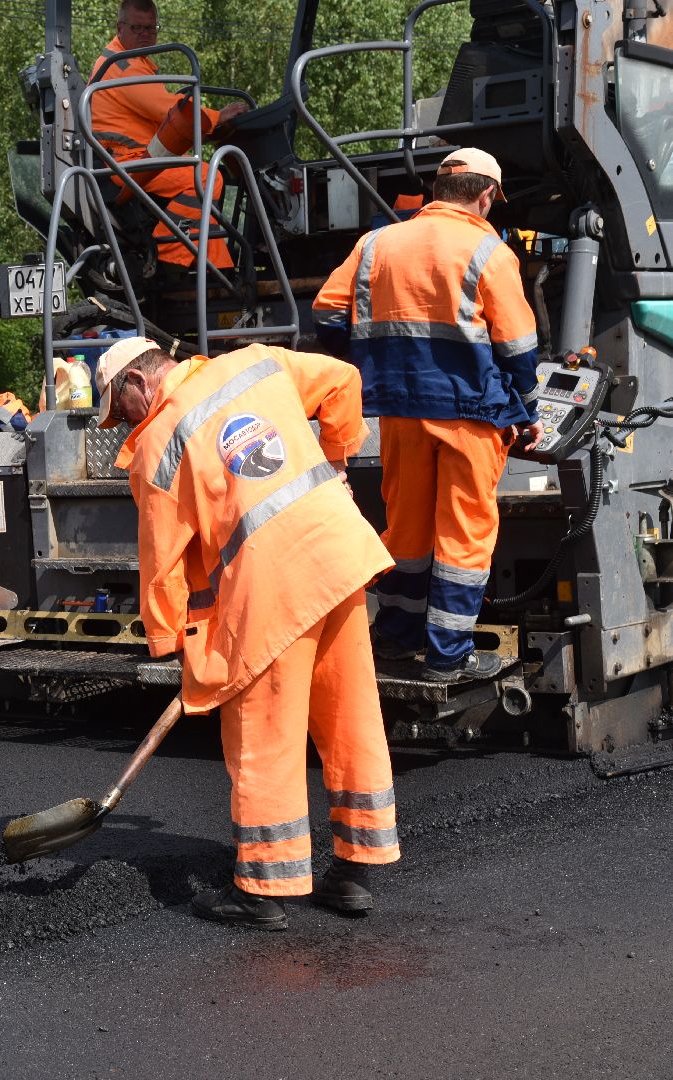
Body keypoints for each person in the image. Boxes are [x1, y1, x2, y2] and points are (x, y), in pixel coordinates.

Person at [97, 335, 400, 930]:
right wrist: (336, 461)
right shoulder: (257, 361)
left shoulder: (160, 443)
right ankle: (353, 872)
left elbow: (160, 562)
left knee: (263, 733)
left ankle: (264, 889)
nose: (121, 424)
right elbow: (342, 380)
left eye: (118, 411)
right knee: (350, 718)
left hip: (271, 589)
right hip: (338, 555)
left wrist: (167, 643)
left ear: (137, 384)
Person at [312, 148, 542, 682]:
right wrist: (528, 408)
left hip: (397, 411)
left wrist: (360, 365)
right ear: (487, 196)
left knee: (407, 528)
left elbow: (326, 309)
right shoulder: (489, 250)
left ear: (439, 191)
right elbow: (518, 346)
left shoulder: (375, 244)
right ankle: (446, 657)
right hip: (472, 413)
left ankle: (394, 639)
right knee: (464, 536)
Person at [89, 0, 247, 269]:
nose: (145, 34)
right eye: (137, 28)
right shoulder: (120, 67)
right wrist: (218, 117)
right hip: (124, 164)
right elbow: (164, 109)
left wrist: (208, 129)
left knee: (205, 181)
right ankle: (171, 256)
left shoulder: (132, 62)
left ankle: (220, 268)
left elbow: (163, 113)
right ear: (119, 27)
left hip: (139, 158)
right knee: (205, 177)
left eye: (151, 29)